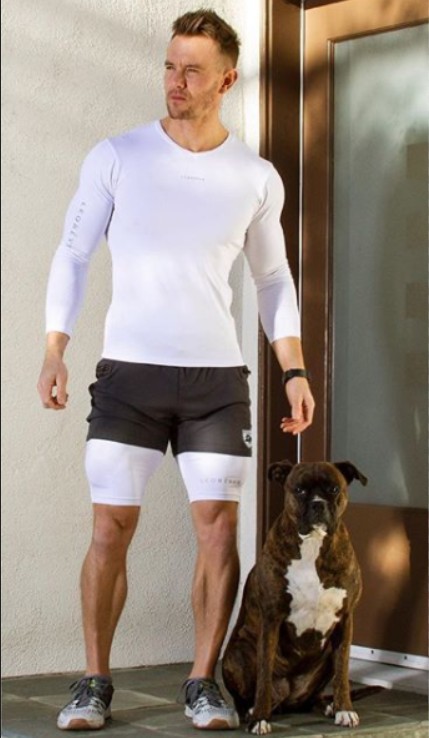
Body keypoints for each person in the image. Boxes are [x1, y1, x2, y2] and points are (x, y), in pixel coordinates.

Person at [37, 8, 315, 732]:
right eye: (169, 65)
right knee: (109, 529)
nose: (175, 81)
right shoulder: (117, 156)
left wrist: (293, 369)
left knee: (218, 529)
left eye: (192, 70)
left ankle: (201, 681)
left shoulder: (254, 176)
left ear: (226, 80)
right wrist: (55, 347)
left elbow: (273, 279)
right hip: (129, 378)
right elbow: (73, 254)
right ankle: (94, 680)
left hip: (215, 383)